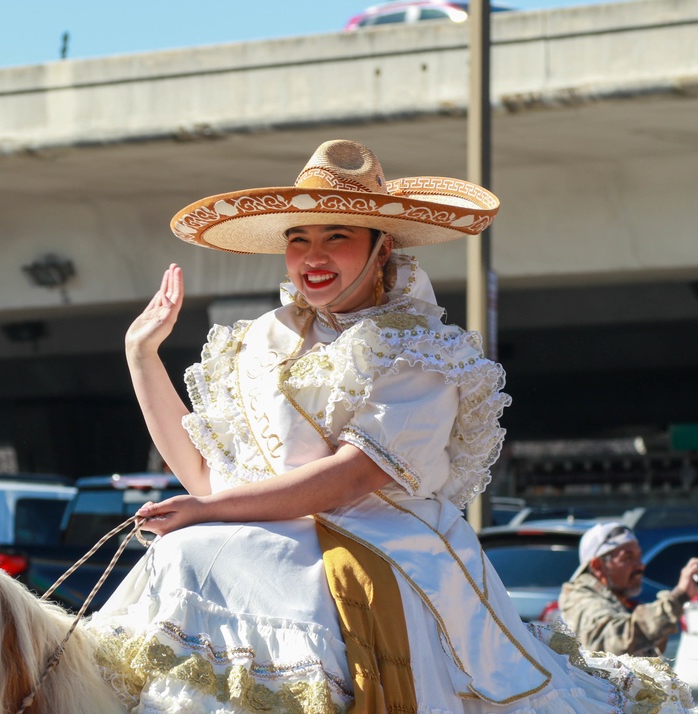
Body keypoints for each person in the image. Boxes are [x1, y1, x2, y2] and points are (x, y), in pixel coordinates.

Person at [84, 140, 696, 712]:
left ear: (383, 247)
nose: (313, 256)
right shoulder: (260, 341)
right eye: (298, 239)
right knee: (183, 558)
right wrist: (143, 356)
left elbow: (354, 478)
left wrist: (211, 513)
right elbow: (204, 474)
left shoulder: (417, 349)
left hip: (386, 546)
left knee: (195, 552)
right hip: (265, 536)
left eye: (337, 236)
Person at [560, 521, 698, 657]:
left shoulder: (616, 601)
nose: (640, 566)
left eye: (638, 557)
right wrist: (679, 596)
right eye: (628, 558)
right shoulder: (582, 600)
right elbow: (616, 642)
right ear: (597, 566)